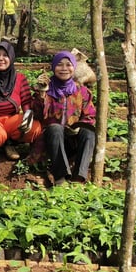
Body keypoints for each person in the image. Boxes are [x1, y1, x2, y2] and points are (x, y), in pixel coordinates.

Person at [30, 51, 97, 185]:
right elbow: (36, 115)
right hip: (50, 141)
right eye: (60, 65)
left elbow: (90, 116)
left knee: (89, 132)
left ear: (74, 67)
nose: (64, 68)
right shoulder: (45, 89)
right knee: (55, 128)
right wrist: (42, 93)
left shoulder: (82, 91)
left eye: (68, 65)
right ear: (54, 67)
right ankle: (61, 177)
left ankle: (79, 177)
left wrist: (78, 127)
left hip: (72, 141)